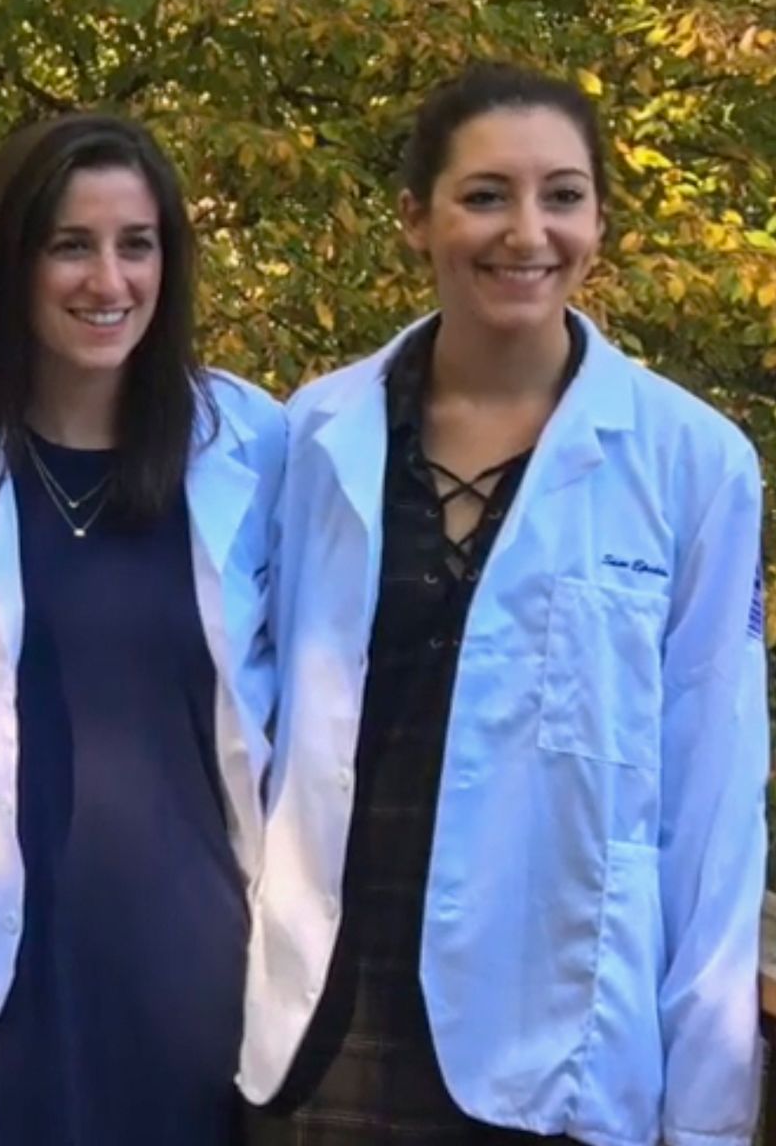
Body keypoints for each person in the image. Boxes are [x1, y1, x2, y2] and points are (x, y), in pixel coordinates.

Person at [243, 64, 767, 1145]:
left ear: (598, 222)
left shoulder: (691, 464)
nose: (526, 231)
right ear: (414, 219)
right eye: (485, 194)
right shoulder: (309, 438)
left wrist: (706, 1111)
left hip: (556, 1041)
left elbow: (712, 811)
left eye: (561, 195)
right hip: (327, 1034)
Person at [0, 112, 286, 1145]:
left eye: (136, 245)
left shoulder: (248, 443)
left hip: (188, 968)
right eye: (70, 246)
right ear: (11, 260)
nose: (109, 280)